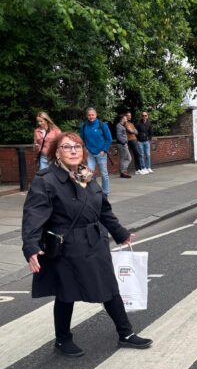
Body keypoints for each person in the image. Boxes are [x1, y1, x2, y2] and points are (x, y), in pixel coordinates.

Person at [21, 131, 152, 357]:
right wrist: (31, 246)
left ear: (83, 152)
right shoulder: (46, 180)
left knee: (109, 287)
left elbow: (103, 209)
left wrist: (120, 233)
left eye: (77, 147)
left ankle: (126, 333)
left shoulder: (85, 175)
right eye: (67, 147)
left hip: (94, 241)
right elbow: (33, 215)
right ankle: (62, 340)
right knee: (66, 293)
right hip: (66, 246)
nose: (73, 151)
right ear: (57, 153)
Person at [80, 107, 112, 197]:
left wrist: (104, 150)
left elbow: (109, 139)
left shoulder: (102, 125)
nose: (91, 117)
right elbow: (81, 139)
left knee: (104, 174)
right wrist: (85, 148)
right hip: (90, 153)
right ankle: (93, 191)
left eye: (92, 115)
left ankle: (105, 192)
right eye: (89, 115)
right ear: (87, 116)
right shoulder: (84, 126)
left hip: (101, 153)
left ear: (96, 115)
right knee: (90, 173)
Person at [114, 113, 132, 179]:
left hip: (123, 144)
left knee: (124, 158)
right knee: (128, 158)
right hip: (122, 144)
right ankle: (123, 171)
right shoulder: (119, 126)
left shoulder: (122, 125)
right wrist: (124, 143)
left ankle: (123, 172)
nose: (126, 119)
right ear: (122, 119)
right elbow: (119, 136)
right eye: (125, 118)